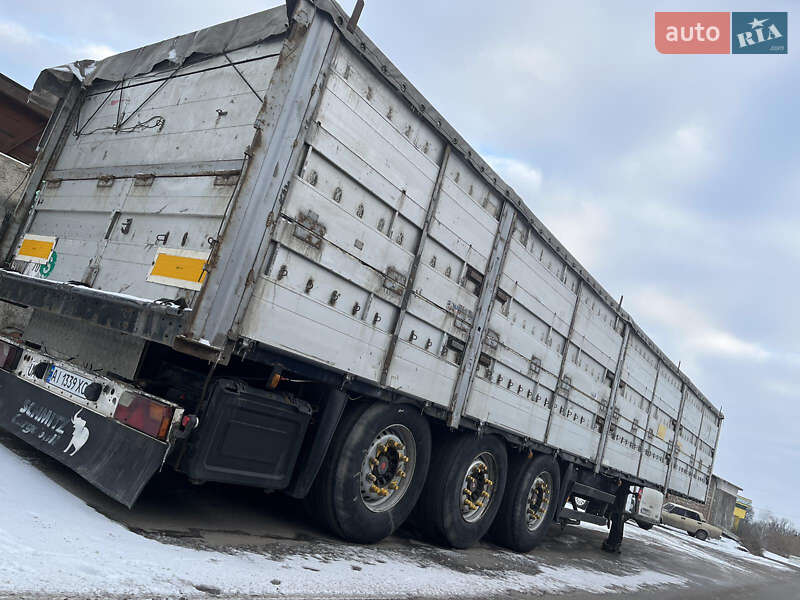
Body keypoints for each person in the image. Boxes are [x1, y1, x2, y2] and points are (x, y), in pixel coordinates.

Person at [602, 479, 630, 553]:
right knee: (618, 517)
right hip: (623, 491)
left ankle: (612, 544)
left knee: (616, 516)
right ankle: (615, 543)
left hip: (620, 493)